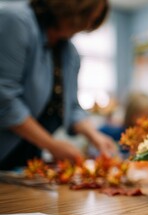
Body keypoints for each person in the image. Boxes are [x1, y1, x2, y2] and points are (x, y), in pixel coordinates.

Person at [0, 0, 117, 170]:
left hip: (26, 158)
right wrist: (51, 145)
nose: (89, 25)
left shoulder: (70, 53)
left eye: (94, 20)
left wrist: (94, 135)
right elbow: (5, 99)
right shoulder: (16, 21)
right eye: (88, 16)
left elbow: (71, 107)